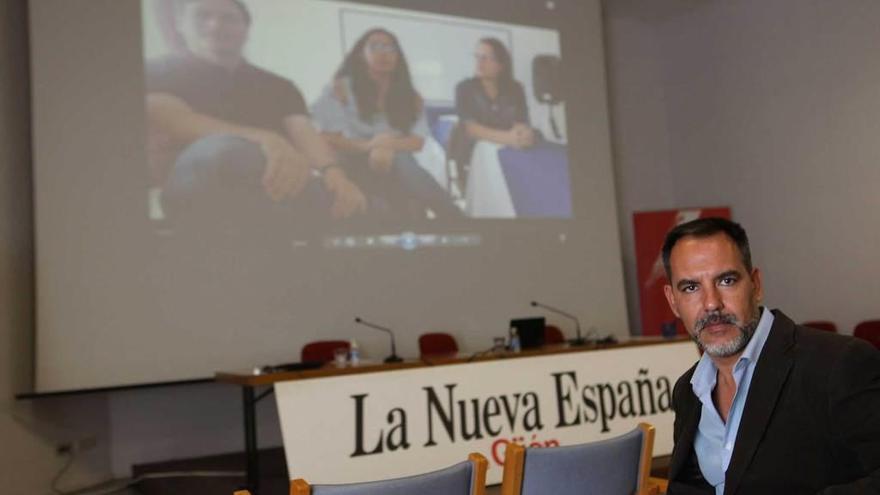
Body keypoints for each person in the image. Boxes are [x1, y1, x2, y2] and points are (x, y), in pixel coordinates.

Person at [661, 217, 880, 494]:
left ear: (756, 285)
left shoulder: (839, 364)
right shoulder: (688, 390)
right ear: (672, 301)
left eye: (726, 280)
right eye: (691, 287)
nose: (711, 303)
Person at [146, 0, 366, 236]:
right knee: (225, 152)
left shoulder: (280, 86)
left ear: (246, 28)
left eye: (229, 18)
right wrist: (267, 140)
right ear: (181, 24)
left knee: (351, 199)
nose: (215, 25)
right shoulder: (156, 71)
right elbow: (176, 121)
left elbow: (303, 131)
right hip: (200, 185)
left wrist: (334, 173)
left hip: (279, 186)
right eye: (203, 15)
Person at [311, 28, 461, 220]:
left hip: (393, 164)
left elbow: (417, 142)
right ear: (361, 54)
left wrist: (386, 145)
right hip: (351, 160)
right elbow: (327, 138)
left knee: (400, 159)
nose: (383, 53)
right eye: (375, 47)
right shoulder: (340, 88)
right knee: (399, 162)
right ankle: (455, 217)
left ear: (398, 56)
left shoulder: (411, 97)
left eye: (390, 48)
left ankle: (452, 218)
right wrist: (370, 146)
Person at [451, 37, 536, 167]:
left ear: (501, 64)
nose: (479, 63)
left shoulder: (515, 88)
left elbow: (521, 121)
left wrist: (523, 136)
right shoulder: (464, 87)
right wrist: (508, 138)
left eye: (485, 58)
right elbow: (470, 129)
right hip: (473, 152)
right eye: (477, 57)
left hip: (509, 147)